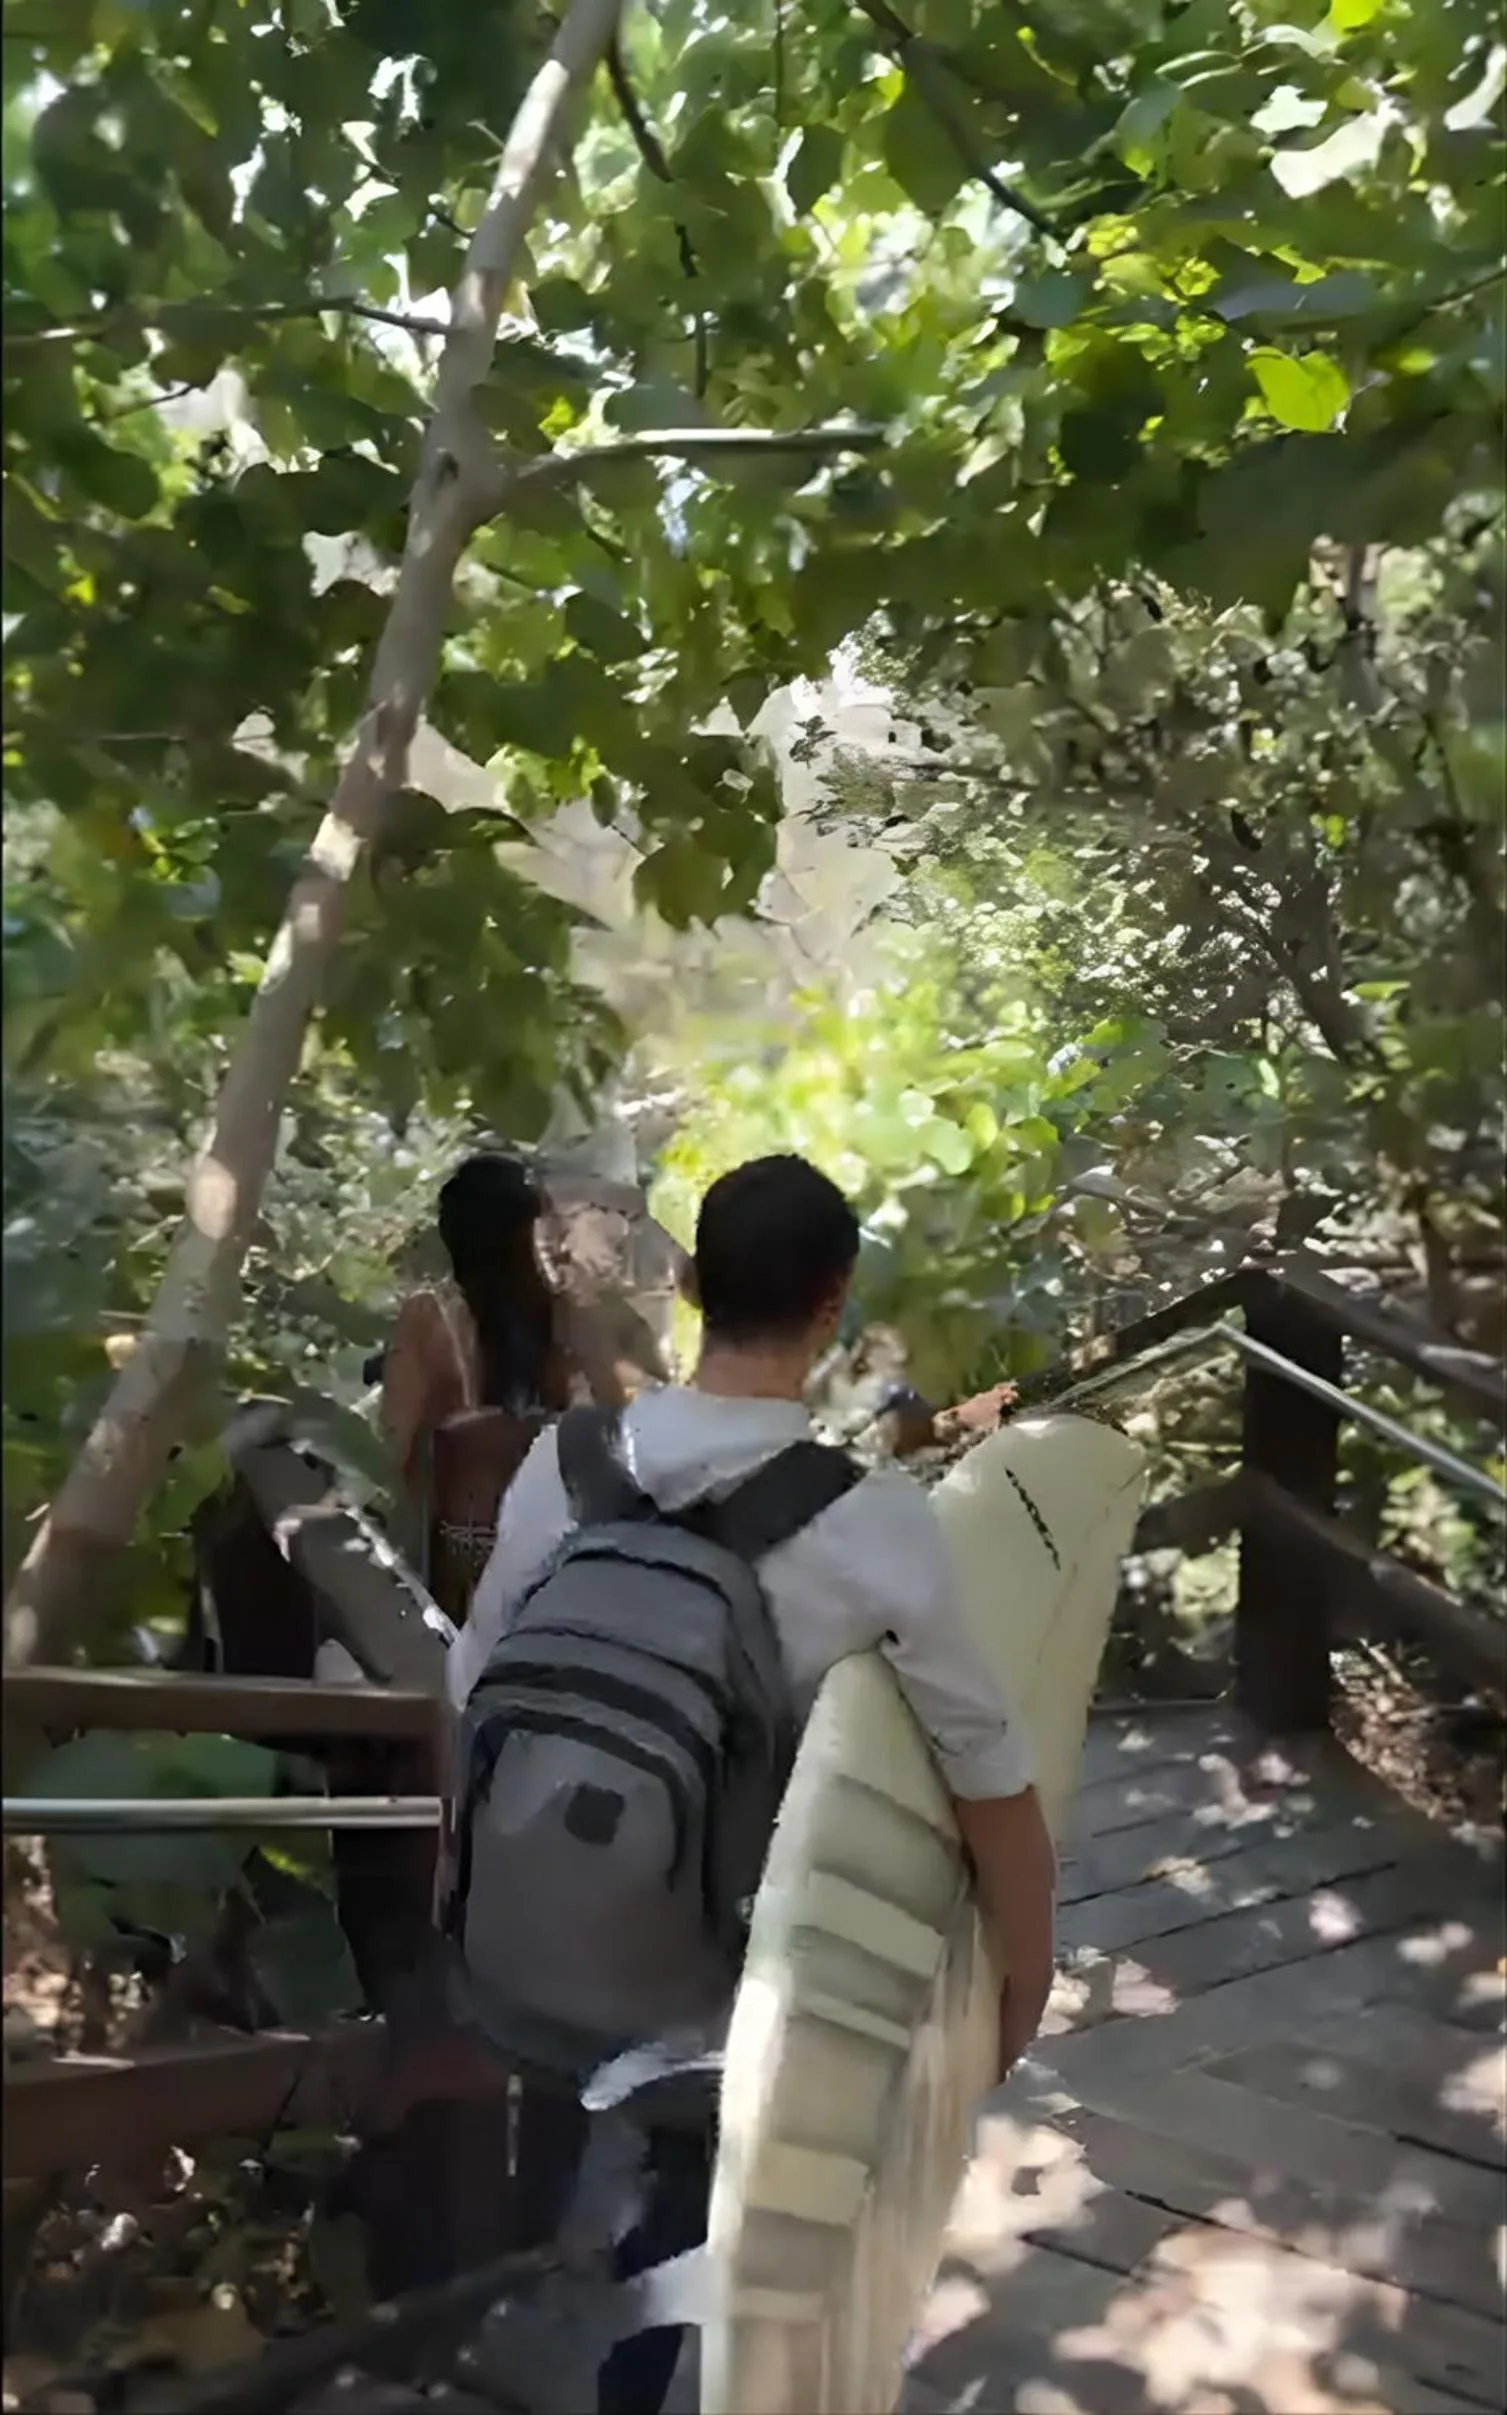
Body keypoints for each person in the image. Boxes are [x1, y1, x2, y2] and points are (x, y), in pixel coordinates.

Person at [452, 1153, 1058, 2413]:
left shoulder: (563, 1465)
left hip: (521, 1942)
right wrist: (1024, 1978)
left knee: (610, 2167)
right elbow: (988, 1778)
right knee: (695, 2207)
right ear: (832, 1301)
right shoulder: (873, 1524)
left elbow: (468, 1694)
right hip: (712, 1981)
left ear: (690, 1287)